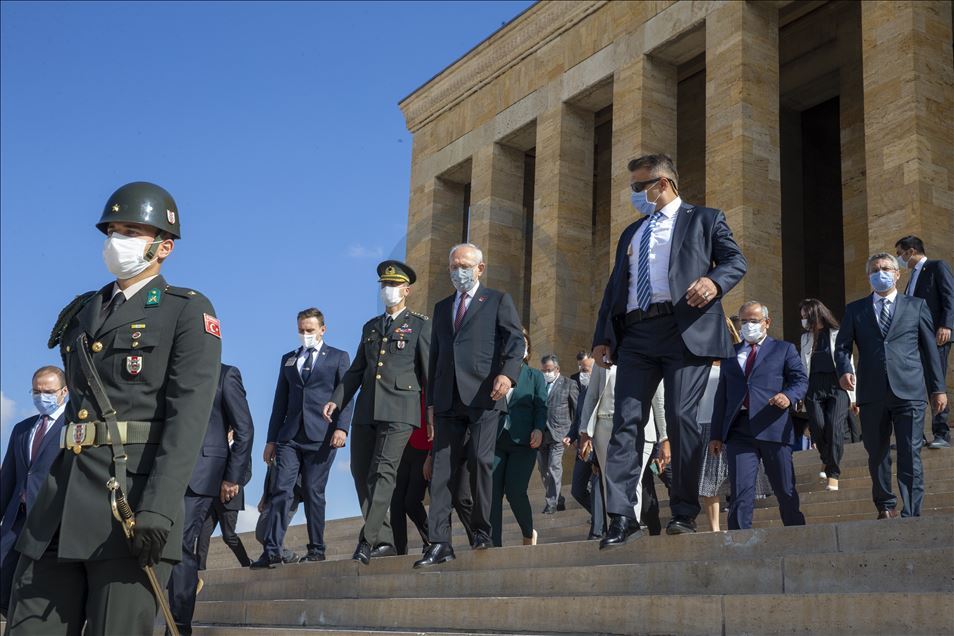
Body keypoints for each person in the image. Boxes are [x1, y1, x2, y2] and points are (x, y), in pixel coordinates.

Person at [8, 182, 222, 635]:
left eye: (130, 231)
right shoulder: (82, 311)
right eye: (112, 230)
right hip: (58, 508)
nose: (115, 241)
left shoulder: (185, 311)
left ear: (163, 247)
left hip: (127, 507)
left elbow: (188, 420)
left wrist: (160, 510)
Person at [592, 153, 746, 543]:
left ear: (663, 184)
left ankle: (684, 511)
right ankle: (622, 516)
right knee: (626, 422)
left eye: (638, 187)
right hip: (637, 334)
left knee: (681, 418)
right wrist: (603, 336)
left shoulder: (705, 219)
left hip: (685, 329)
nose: (634, 195)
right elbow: (616, 287)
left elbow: (735, 261)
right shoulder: (632, 233)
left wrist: (714, 282)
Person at [414, 243, 523, 568]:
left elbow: (516, 342)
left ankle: (481, 529)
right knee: (441, 473)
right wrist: (431, 405)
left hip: (484, 397)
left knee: (479, 460)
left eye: (464, 265)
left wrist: (508, 376)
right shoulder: (443, 306)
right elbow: (435, 359)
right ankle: (439, 542)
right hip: (448, 401)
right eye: (453, 266)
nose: (458, 272)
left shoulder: (498, 301)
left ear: (479, 268)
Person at [324, 260, 431, 564]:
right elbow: (357, 369)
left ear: (406, 290)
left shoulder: (420, 324)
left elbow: (429, 374)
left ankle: (366, 541)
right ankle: (383, 538)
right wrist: (338, 399)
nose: (389, 291)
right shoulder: (371, 326)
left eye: (394, 286)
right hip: (367, 410)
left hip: (401, 409)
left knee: (383, 473)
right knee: (361, 472)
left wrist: (432, 414)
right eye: (385, 286)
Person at [835, 253, 947, 518]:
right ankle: (885, 505)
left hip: (910, 390)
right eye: (875, 269)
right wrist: (844, 369)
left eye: (886, 268)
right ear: (868, 277)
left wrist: (938, 388)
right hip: (872, 393)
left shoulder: (916, 306)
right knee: (877, 453)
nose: (880, 272)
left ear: (898, 274)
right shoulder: (855, 309)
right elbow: (842, 347)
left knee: (910, 452)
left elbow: (930, 351)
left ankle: (911, 510)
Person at [252, 308, 353, 568]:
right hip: (289, 437)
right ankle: (272, 550)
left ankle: (317, 548)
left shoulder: (339, 357)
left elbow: (346, 395)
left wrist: (342, 428)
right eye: (301, 330)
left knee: (312, 491)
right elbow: (279, 403)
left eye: (310, 330)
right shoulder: (288, 359)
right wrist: (271, 440)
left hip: (323, 436)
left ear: (322, 329)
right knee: (281, 490)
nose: (305, 334)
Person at [168, 363, 253, 633]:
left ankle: (179, 627)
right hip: (166, 470)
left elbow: (244, 430)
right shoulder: (168, 371)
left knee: (179, 544)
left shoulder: (226, 374)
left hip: (204, 474)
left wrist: (232, 477)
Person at [710, 301, 808, 530]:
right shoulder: (730, 355)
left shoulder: (783, 349)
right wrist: (716, 434)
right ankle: (738, 540)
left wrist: (788, 396)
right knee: (741, 490)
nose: (748, 325)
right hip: (739, 430)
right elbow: (721, 397)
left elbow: (800, 380)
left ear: (766, 322)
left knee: (784, 488)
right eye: (744, 321)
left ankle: (796, 531)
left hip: (772, 424)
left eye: (753, 321)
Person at [575, 362, 667, 548]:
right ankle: (616, 529)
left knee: (633, 482)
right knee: (609, 484)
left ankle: (631, 529)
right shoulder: (603, 359)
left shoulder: (649, 354)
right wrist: (585, 431)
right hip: (604, 427)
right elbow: (591, 396)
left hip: (638, 426)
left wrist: (665, 437)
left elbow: (659, 400)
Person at [0, 366, 68, 618]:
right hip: (16, 518)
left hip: (51, 520)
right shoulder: (22, 428)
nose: (42, 397)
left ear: (64, 391)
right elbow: (8, 477)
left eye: (48, 391)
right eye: (37, 391)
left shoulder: (74, 427)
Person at [896, 235, 954, 449]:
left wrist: (947, 325)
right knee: (915, 387)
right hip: (914, 341)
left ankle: (941, 432)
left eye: (900, 254)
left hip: (937, 336)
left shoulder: (937, 267)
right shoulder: (912, 278)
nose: (899, 259)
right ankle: (916, 436)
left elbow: (950, 297)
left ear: (911, 251)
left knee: (935, 382)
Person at [491, 329, 546, 547]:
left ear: (527, 350)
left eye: (522, 343)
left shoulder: (535, 376)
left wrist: (539, 428)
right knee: (492, 494)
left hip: (523, 441)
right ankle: (493, 543)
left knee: (515, 491)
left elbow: (541, 406)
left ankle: (527, 532)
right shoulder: (495, 375)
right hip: (495, 440)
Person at [798, 299, 856, 491]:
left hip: (837, 385)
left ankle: (833, 473)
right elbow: (802, 366)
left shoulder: (838, 334)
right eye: (802, 317)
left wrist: (854, 398)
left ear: (817, 314)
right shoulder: (805, 338)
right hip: (813, 386)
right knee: (818, 426)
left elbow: (849, 365)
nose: (804, 320)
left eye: (806, 316)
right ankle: (826, 458)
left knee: (834, 426)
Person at [538, 354, 578, 514]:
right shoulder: (539, 385)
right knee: (543, 470)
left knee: (554, 466)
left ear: (557, 369)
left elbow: (576, 410)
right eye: (543, 370)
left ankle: (551, 502)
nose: (546, 373)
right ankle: (559, 498)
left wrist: (575, 434)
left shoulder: (569, 384)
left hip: (560, 433)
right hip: (541, 434)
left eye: (549, 370)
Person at [391, 406, 431, 556]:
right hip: (401, 450)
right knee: (395, 504)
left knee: (411, 501)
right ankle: (399, 550)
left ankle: (431, 540)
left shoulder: (427, 385)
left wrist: (431, 454)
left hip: (423, 449)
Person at [252, 463, 301, 565]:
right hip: (271, 496)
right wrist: (264, 497)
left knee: (271, 532)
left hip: (289, 495)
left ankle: (274, 555)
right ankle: (287, 555)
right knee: (261, 534)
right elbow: (271, 475)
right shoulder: (273, 449)